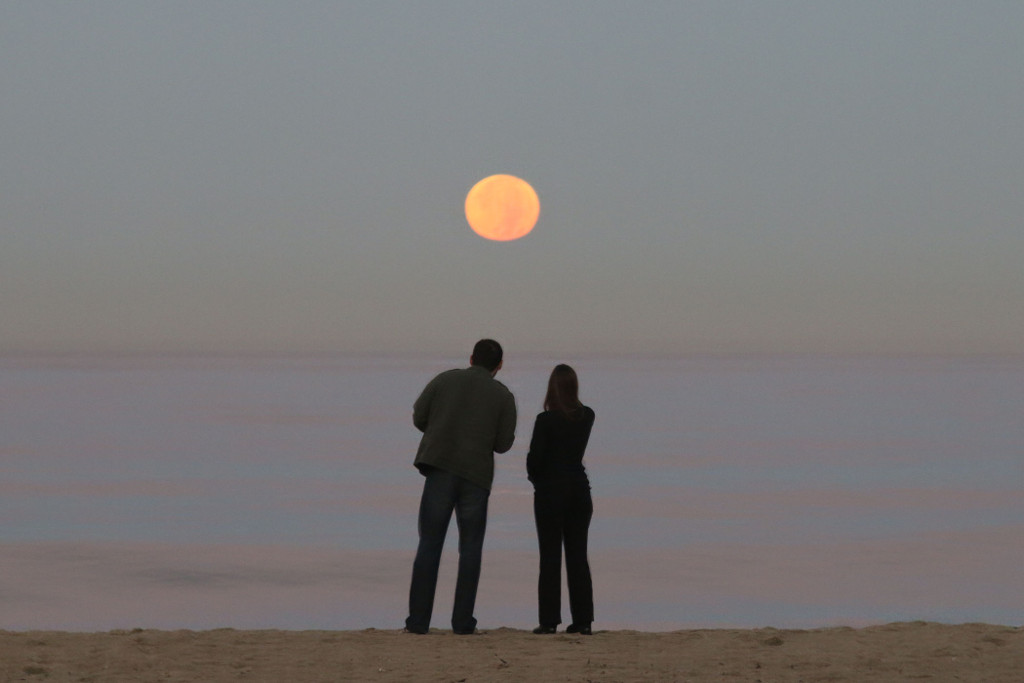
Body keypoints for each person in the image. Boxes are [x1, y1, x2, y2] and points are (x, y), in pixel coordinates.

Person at [404, 339, 517, 635]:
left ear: (471, 358)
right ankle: (463, 623)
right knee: (470, 549)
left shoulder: (445, 380)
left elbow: (419, 416)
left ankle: (417, 623)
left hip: (440, 468)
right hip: (476, 477)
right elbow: (504, 444)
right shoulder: (503, 396)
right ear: (499, 366)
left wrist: (442, 428)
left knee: (429, 544)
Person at [527, 364, 595, 635]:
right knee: (578, 556)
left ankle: (548, 620)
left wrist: (538, 482)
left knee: (550, 557)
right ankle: (583, 620)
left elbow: (535, 461)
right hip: (579, 491)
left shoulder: (545, 421)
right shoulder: (587, 416)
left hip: (550, 493)